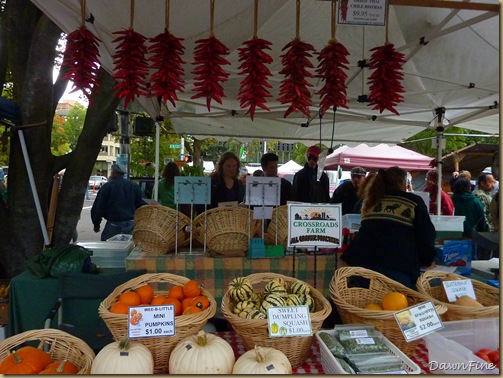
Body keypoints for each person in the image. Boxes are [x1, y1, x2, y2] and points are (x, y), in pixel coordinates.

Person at [340, 166, 436, 289]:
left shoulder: (370, 201)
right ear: (401, 182)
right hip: (398, 273)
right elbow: (426, 235)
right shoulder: (413, 202)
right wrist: (427, 260)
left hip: (364, 271)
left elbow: (364, 233)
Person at [91, 164, 146, 241]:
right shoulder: (134, 186)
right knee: (129, 248)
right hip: (131, 224)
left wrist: (96, 224)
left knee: (107, 247)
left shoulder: (107, 186)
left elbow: (98, 207)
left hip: (113, 224)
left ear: (113, 173)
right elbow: (140, 204)